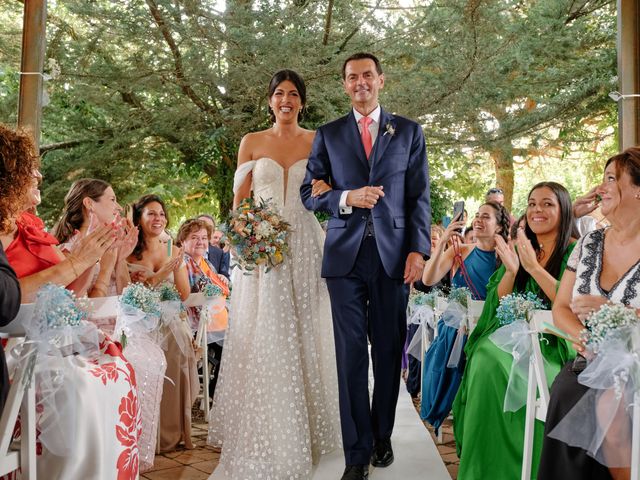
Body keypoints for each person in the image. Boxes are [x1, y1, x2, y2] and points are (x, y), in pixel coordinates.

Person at [301, 52, 431, 480]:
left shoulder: (408, 131)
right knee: (351, 355)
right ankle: (356, 454)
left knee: (390, 350)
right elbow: (310, 193)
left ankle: (382, 436)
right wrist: (344, 197)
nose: (361, 83)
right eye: (352, 77)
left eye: (367, 76)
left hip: (394, 258)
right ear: (344, 85)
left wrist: (418, 250)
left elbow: (418, 197)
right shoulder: (328, 134)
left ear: (380, 80)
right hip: (344, 259)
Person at [208, 69, 341, 480]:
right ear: (269, 100)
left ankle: (310, 426)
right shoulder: (251, 142)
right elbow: (239, 202)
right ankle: (268, 425)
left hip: (304, 244)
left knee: (305, 327)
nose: (286, 100)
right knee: (265, 329)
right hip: (262, 249)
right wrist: (249, 238)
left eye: (294, 94)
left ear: (302, 101)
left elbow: (327, 194)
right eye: (279, 93)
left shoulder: (318, 140)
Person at [0, 125, 140, 479]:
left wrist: (102, 257)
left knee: (119, 370)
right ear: (9, 176)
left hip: (43, 337)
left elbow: (67, 293)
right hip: (15, 343)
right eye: (29, 168)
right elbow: (9, 293)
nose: (39, 174)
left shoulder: (29, 224)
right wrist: (83, 259)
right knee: (79, 387)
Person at [452, 181, 578, 480]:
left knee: (516, 368)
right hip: (514, 335)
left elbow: (571, 305)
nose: (537, 210)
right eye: (532, 203)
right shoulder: (523, 248)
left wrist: (535, 268)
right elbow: (500, 302)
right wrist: (511, 270)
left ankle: (530, 466)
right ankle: (484, 468)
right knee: (484, 356)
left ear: (564, 210)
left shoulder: (575, 250)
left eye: (547, 204)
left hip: (555, 343)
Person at [538, 147, 640, 480]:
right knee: (570, 389)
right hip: (590, 360)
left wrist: (618, 312)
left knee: (611, 401)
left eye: (612, 178)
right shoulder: (589, 242)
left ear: (638, 189)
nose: (601, 188)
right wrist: (584, 339)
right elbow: (561, 307)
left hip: (635, 363)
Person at [420, 202, 510, 432]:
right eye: (477, 215)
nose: (478, 220)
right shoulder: (461, 250)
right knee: (447, 353)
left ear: (499, 227)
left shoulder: (506, 257)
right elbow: (428, 280)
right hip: (455, 326)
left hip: (490, 326)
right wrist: (443, 241)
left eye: (486, 217)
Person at [128, 194, 198, 453]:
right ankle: (145, 437)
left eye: (161, 213)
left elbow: (183, 294)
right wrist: (161, 273)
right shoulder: (129, 252)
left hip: (169, 322)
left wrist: (175, 270)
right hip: (140, 324)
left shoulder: (174, 250)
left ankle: (171, 433)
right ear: (139, 218)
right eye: (151, 213)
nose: (158, 218)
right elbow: (131, 293)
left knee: (177, 357)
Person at [52, 178, 138, 298]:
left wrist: (120, 260)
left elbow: (129, 300)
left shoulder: (111, 247)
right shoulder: (67, 251)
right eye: (112, 200)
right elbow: (80, 310)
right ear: (89, 204)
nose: (119, 208)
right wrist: (106, 269)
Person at [177, 218, 230, 400]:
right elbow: (187, 296)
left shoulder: (205, 264)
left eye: (204, 237)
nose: (201, 241)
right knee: (234, 345)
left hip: (213, 320)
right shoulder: (183, 263)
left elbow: (219, 287)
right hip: (195, 324)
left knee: (239, 341)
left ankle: (218, 391)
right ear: (182, 241)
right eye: (194, 237)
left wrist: (222, 280)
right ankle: (217, 394)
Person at [197, 214, 230, 280]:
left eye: (209, 228)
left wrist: (224, 278)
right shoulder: (183, 251)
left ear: (213, 232)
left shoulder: (219, 253)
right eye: (200, 226)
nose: (205, 230)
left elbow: (226, 277)